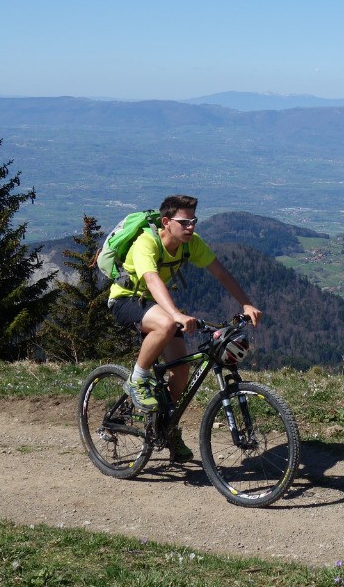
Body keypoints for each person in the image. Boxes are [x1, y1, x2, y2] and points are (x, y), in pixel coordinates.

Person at [108, 194, 262, 462]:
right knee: (166, 323)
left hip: (157, 305)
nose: (191, 227)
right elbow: (152, 280)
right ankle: (137, 379)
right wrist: (176, 313)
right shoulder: (147, 242)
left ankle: (167, 428)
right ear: (166, 222)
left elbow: (221, 272)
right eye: (184, 222)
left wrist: (246, 304)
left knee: (180, 371)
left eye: (194, 221)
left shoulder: (191, 245)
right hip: (126, 299)